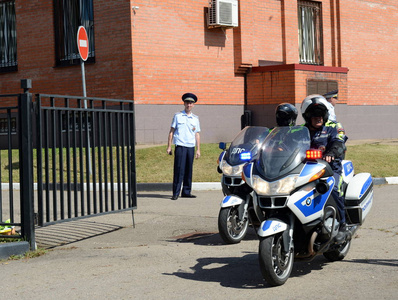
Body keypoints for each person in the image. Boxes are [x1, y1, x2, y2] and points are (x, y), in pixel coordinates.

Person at [301, 94, 348, 242]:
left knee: (333, 189)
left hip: (330, 168)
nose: (318, 117)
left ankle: (343, 225)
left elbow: (339, 142)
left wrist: (331, 153)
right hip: (305, 169)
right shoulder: (300, 131)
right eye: (315, 115)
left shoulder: (333, 127)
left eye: (321, 114)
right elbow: (288, 144)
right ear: (308, 117)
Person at [167, 93, 201, 200]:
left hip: (190, 146)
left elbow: (197, 134)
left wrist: (198, 149)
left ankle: (186, 192)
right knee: (179, 170)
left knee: (188, 170)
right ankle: (176, 193)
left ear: (193, 105)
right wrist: (169, 146)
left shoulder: (195, 118)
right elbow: (171, 131)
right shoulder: (177, 116)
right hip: (180, 146)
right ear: (184, 104)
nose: (189, 105)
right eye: (187, 103)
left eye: (191, 103)